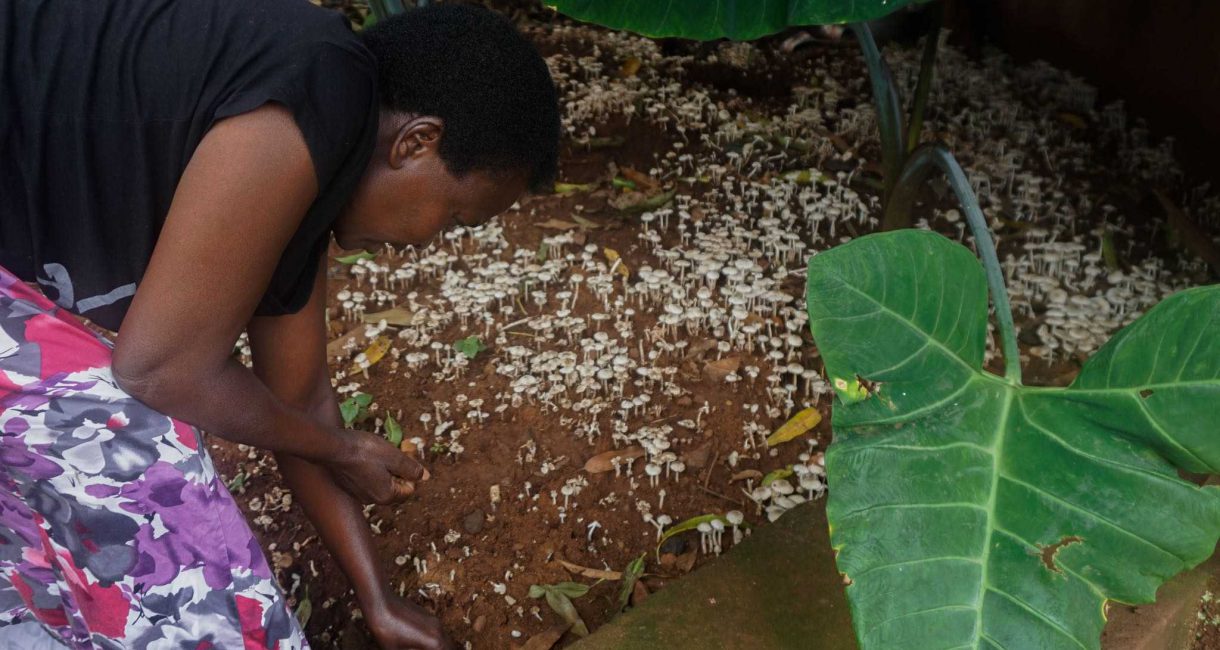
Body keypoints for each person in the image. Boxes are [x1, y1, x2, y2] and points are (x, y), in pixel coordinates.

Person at [0, 0, 560, 648]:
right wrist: (342, 450)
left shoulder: (306, 161)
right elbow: (158, 368)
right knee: (146, 473)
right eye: (456, 217)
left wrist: (376, 599)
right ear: (416, 143)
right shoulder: (320, 84)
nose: (434, 240)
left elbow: (301, 403)